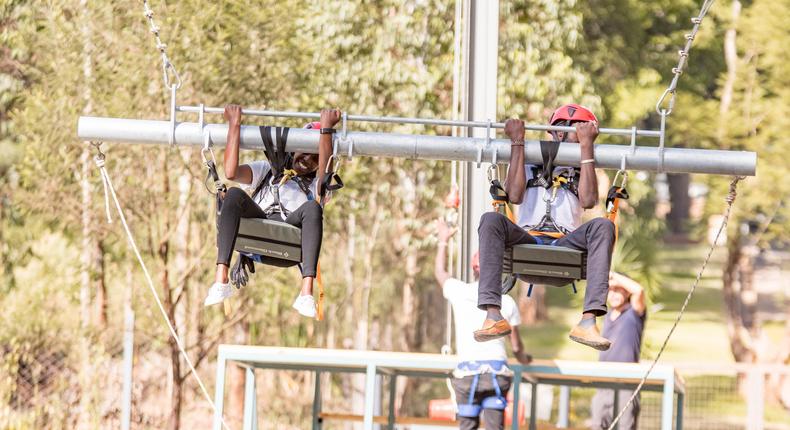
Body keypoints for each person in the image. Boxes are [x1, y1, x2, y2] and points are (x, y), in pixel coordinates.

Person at [473, 104, 617, 351]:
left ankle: (588, 320)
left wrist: (586, 148)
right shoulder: (531, 160)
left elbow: (589, 200)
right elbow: (515, 196)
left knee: (603, 226)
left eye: (576, 129)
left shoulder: (584, 167)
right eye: (562, 128)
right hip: (528, 240)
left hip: (565, 243)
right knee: (491, 220)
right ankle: (493, 314)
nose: (567, 134)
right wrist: (518, 143)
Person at [204, 104, 341, 318]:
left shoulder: (317, 185)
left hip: (291, 244)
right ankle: (221, 278)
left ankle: (306, 292)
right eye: (305, 152)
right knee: (232, 194)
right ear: (294, 148)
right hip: (256, 236)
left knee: (313, 208)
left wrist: (326, 130)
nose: (307, 160)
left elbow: (325, 171)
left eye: (315, 158)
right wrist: (234, 124)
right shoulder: (266, 172)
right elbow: (231, 172)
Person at [435, 219, 531, 430]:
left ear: (474, 270)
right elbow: (516, 348)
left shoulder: (459, 291)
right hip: (496, 373)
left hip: (467, 374)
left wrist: (443, 240)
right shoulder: (505, 301)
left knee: (467, 425)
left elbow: (440, 273)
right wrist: (526, 360)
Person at [590, 271, 647, 430]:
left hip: (627, 383)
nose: (614, 294)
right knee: (597, 424)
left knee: (625, 426)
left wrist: (613, 275)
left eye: (619, 289)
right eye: (611, 290)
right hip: (603, 382)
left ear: (627, 291)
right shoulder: (606, 315)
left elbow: (639, 290)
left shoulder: (634, 312)